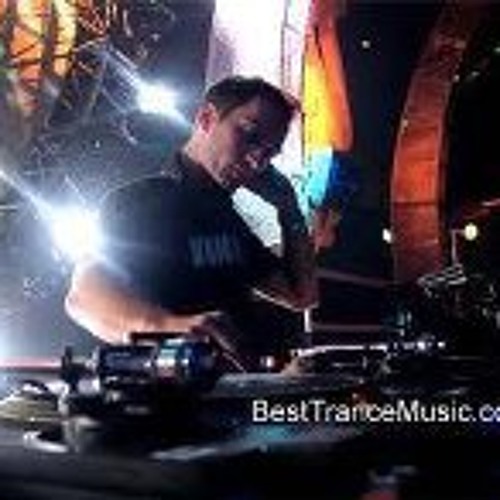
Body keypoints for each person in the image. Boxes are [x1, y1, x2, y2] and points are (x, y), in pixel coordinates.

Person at [64, 76, 318, 370]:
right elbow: (83, 298)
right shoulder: (144, 201)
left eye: (270, 153)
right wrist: (169, 326)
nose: (257, 161)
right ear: (206, 118)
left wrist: (290, 210)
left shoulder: (228, 220)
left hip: (231, 389)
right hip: (167, 390)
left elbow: (301, 295)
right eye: (250, 135)